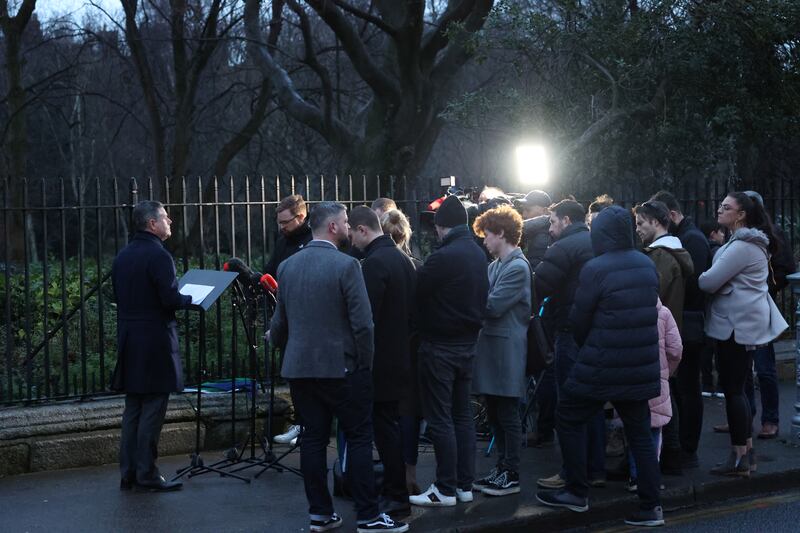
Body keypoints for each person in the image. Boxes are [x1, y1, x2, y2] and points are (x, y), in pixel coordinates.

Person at [268, 202, 408, 533]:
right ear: (332, 227)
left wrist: (279, 344)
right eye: (344, 222)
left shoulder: (287, 267)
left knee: (313, 440)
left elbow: (279, 325)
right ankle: (369, 515)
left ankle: (320, 513)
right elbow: (363, 324)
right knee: (359, 438)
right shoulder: (347, 266)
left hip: (300, 369)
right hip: (342, 368)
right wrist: (364, 363)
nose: (348, 227)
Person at [536, 206, 664, 527]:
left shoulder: (595, 268)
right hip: (640, 365)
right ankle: (651, 507)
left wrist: (587, 346)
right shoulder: (647, 264)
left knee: (568, 416)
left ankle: (576, 491)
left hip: (601, 362)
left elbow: (579, 320)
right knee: (640, 434)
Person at [698, 192, 788, 477]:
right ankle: (746, 453)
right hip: (740, 324)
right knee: (738, 389)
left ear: (741, 215)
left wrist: (714, 280)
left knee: (734, 391)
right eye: (720, 205)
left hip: (734, 326)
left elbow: (708, 281)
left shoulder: (741, 247)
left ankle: (738, 458)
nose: (719, 210)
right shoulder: (743, 243)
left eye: (726, 207)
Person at [409, 195, 488, 507]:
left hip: (439, 346)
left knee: (440, 418)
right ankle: (463, 485)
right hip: (468, 345)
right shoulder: (477, 253)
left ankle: (444, 488)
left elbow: (417, 291)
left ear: (442, 227)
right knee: (462, 416)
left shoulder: (443, 258)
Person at [111, 200, 192, 492]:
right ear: (152, 224)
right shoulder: (159, 256)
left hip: (130, 338)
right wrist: (191, 299)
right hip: (155, 340)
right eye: (165, 218)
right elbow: (169, 299)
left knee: (133, 408)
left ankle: (129, 473)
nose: (170, 222)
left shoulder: (123, 255)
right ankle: (147, 473)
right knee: (153, 409)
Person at [350, 206, 417, 517]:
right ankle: (396, 489)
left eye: (352, 233)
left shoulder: (375, 263)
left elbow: (366, 317)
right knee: (391, 426)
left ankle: (395, 493)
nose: (351, 240)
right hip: (400, 355)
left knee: (385, 430)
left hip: (380, 360)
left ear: (363, 230)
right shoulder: (403, 259)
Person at [534, 199, 604, 488]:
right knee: (593, 402)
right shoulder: (597, 242)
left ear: (565, 220)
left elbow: (540, 284)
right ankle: (595, 469)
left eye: (552, 222)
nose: (549, 228)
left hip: (569, 329)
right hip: (595, 331)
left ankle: (571, 473)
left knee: (569, 404)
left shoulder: (563, 247)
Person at [470, 205, 531, 497]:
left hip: (506, 350)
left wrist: (471, 300)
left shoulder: (517, 267)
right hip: (494, 348)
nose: (484, 241)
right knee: (495, 412)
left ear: (502, 234)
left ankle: (511, 472)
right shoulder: (497, 266)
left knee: (507, 412)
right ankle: (502, 467)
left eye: (487, 235)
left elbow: (492, 306)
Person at [649, 190, 711, 469]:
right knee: (682, 387)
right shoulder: (688, 237)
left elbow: (693, 286)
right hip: (685, 322)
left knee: (687, 388)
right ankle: (682, 446)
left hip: (687, 323)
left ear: (671, 215)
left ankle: (687, 447)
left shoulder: (691, 240)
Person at [634, 200, 693, 475]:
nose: (637, 229)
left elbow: (649, 294)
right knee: (666, 396)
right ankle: (671, 454)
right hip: (669, 330)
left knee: (660, 400)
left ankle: (666, 455)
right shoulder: (675, 253)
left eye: (641, 223)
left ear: (656, 222)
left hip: (655, 333)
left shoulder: (659, 257)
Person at [742, 190, 797, 440]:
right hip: (740, 307)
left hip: (761, 305)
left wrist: (764, 287)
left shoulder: (773, 235)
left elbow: (785, 269)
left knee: (764, 366)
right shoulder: (738, 235)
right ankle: (743, 416)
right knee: (740, 368)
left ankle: (770, 419)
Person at [381, 209, 424, 496]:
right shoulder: (417, 266)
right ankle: (410, 471)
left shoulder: (376, 265)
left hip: (387, 347)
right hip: (414, 346)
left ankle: (392, 472)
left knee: (386, 413)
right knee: (410, 413)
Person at [266, 194, 313, 446]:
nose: (281, 227)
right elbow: (271, 271)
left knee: (308, 377)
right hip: (286, 316)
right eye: (279, 222)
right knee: (292, 374)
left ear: (300, 217)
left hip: (306, 318)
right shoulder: (283, 241)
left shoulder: (311, 239)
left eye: (285, 222)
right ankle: (301, 422)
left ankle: (309, 425)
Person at [627, 299, 682, 493]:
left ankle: (635, 475)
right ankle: (651, 476)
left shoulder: (625, 312)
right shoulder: (664, 313)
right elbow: (675, 350)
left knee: (633, 429)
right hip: (657, 380)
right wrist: (667, 372)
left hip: (631, 379)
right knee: (655, 430)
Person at [518, 189, 552, 267]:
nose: (524, 215)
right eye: (523, 210)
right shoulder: (531, 233)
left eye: (528, 210)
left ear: (545, 211)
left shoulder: (545, 239)